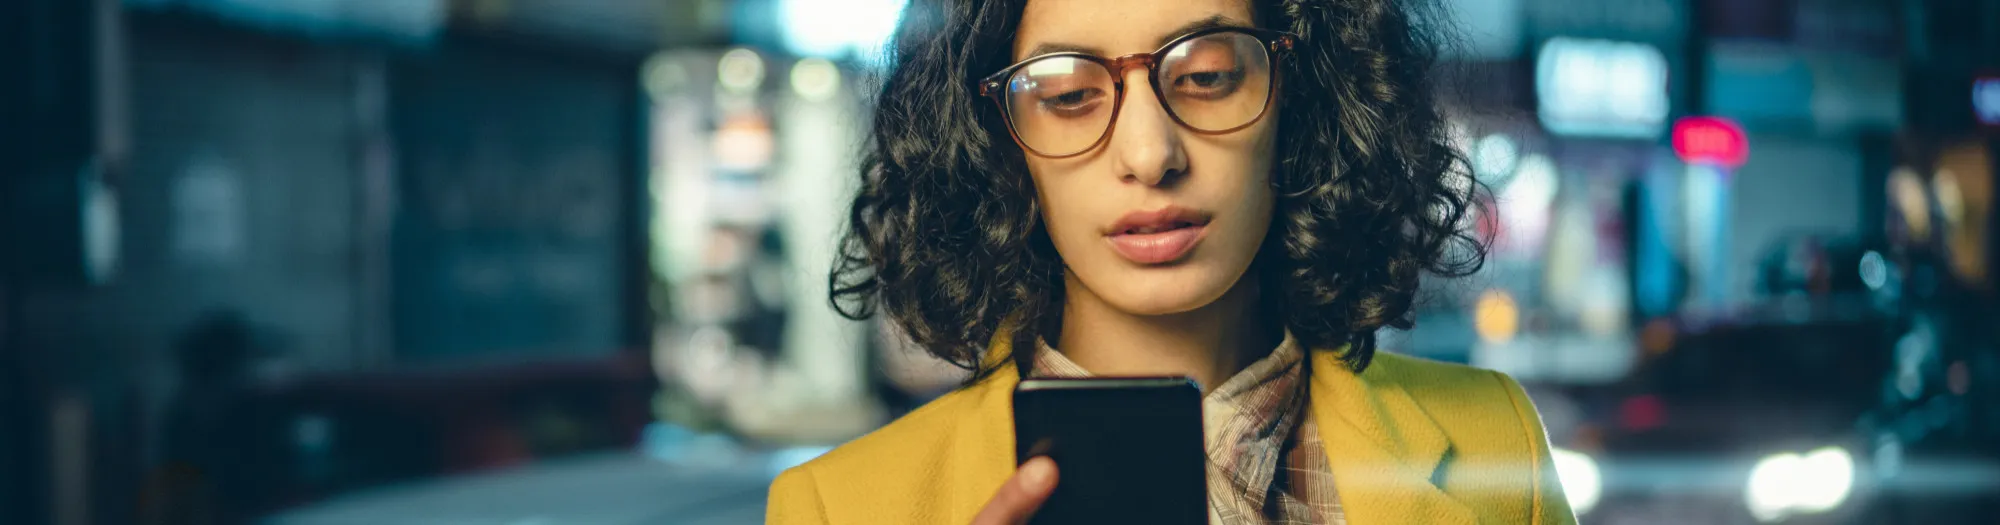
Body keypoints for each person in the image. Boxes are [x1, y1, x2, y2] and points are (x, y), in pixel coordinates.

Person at [768, 0, 1577, 523]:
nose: (1150, 154)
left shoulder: (1493, 441)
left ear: (1302, 96)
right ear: (995, 144)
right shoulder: (837, 506)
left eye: (1208, 75)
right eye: (1065, 92)